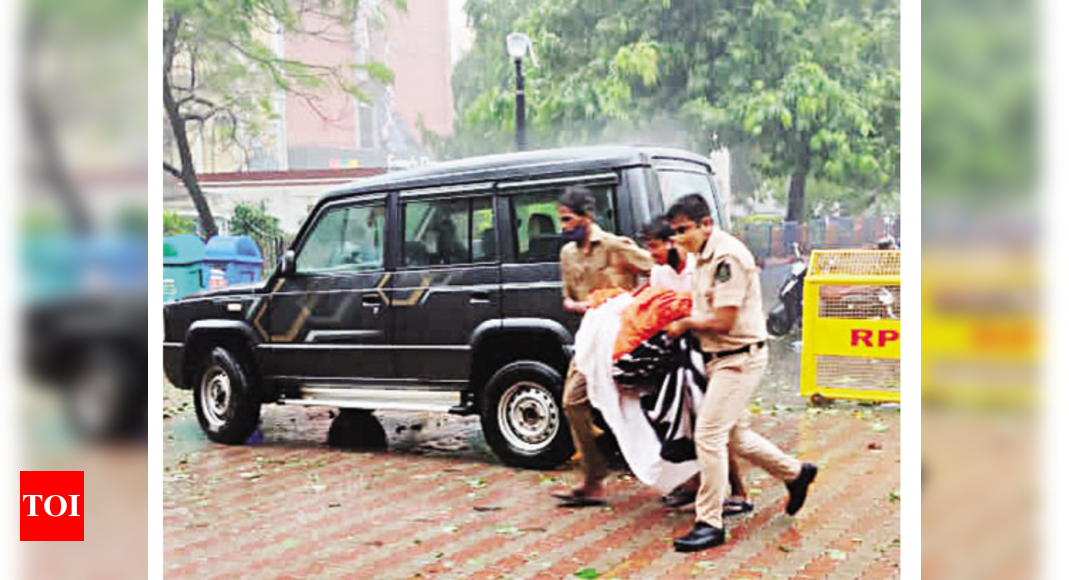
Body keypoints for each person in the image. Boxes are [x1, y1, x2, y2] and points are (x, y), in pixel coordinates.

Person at [663, 194, 818, 552]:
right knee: (735, 439)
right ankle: (796, 474)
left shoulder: (726, 257)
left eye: (683, 230)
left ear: (705, 224)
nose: (678, 239)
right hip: (720, 358)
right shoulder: (701, 257)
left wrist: (685, 323)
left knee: (708, 435)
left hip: (739, 358)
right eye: (674, 232)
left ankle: (709, 522)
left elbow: (723, 320)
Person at [638, 217, 752, 515]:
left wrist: (682, 314)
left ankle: (739, 491)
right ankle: (693, 484)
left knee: (716, 427)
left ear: (671, 243)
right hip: (679, 353)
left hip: (710, 350)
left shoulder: (697, 267)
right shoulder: (660, 273)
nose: (652, 254)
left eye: (655, 247)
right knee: (684, 421)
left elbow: (713, 310)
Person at [553, 186, 653, 508]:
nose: (563, 227)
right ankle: (593, 479)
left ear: (587, 217)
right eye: (561, 220)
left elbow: (658, 268)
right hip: (590, 338)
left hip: (624, 339)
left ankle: (685, 477)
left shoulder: (614, 246)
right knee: (572, 402)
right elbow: (568, 298)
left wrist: (631, 302)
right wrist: (582, 305)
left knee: (646, 406)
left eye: (568, 219)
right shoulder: (568, 254)